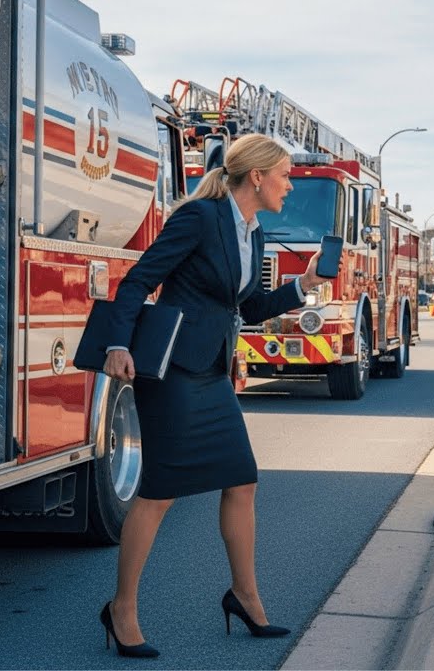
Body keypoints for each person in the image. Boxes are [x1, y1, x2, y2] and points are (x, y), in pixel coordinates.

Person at [98, 134, 333, 657]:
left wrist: (305, 283)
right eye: (285, 176)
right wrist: (118, 343)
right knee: (159, 492)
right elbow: (138, 281)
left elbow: (246, 308)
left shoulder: (251, 232)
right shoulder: (200, 217)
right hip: (175, 370)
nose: (289, 186)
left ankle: (244, 597)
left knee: (242, 480)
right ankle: (122, 609)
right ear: (257, 177)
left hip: (212, 373)